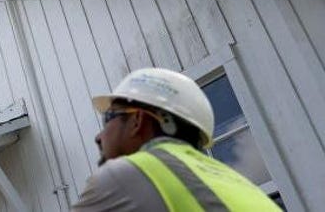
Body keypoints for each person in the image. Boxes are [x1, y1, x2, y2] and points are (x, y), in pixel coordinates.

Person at [72, 67, 280, 211]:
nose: (98, 137)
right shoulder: (242, 186)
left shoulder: (124, 176)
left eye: (108, 118)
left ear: (138, 121)